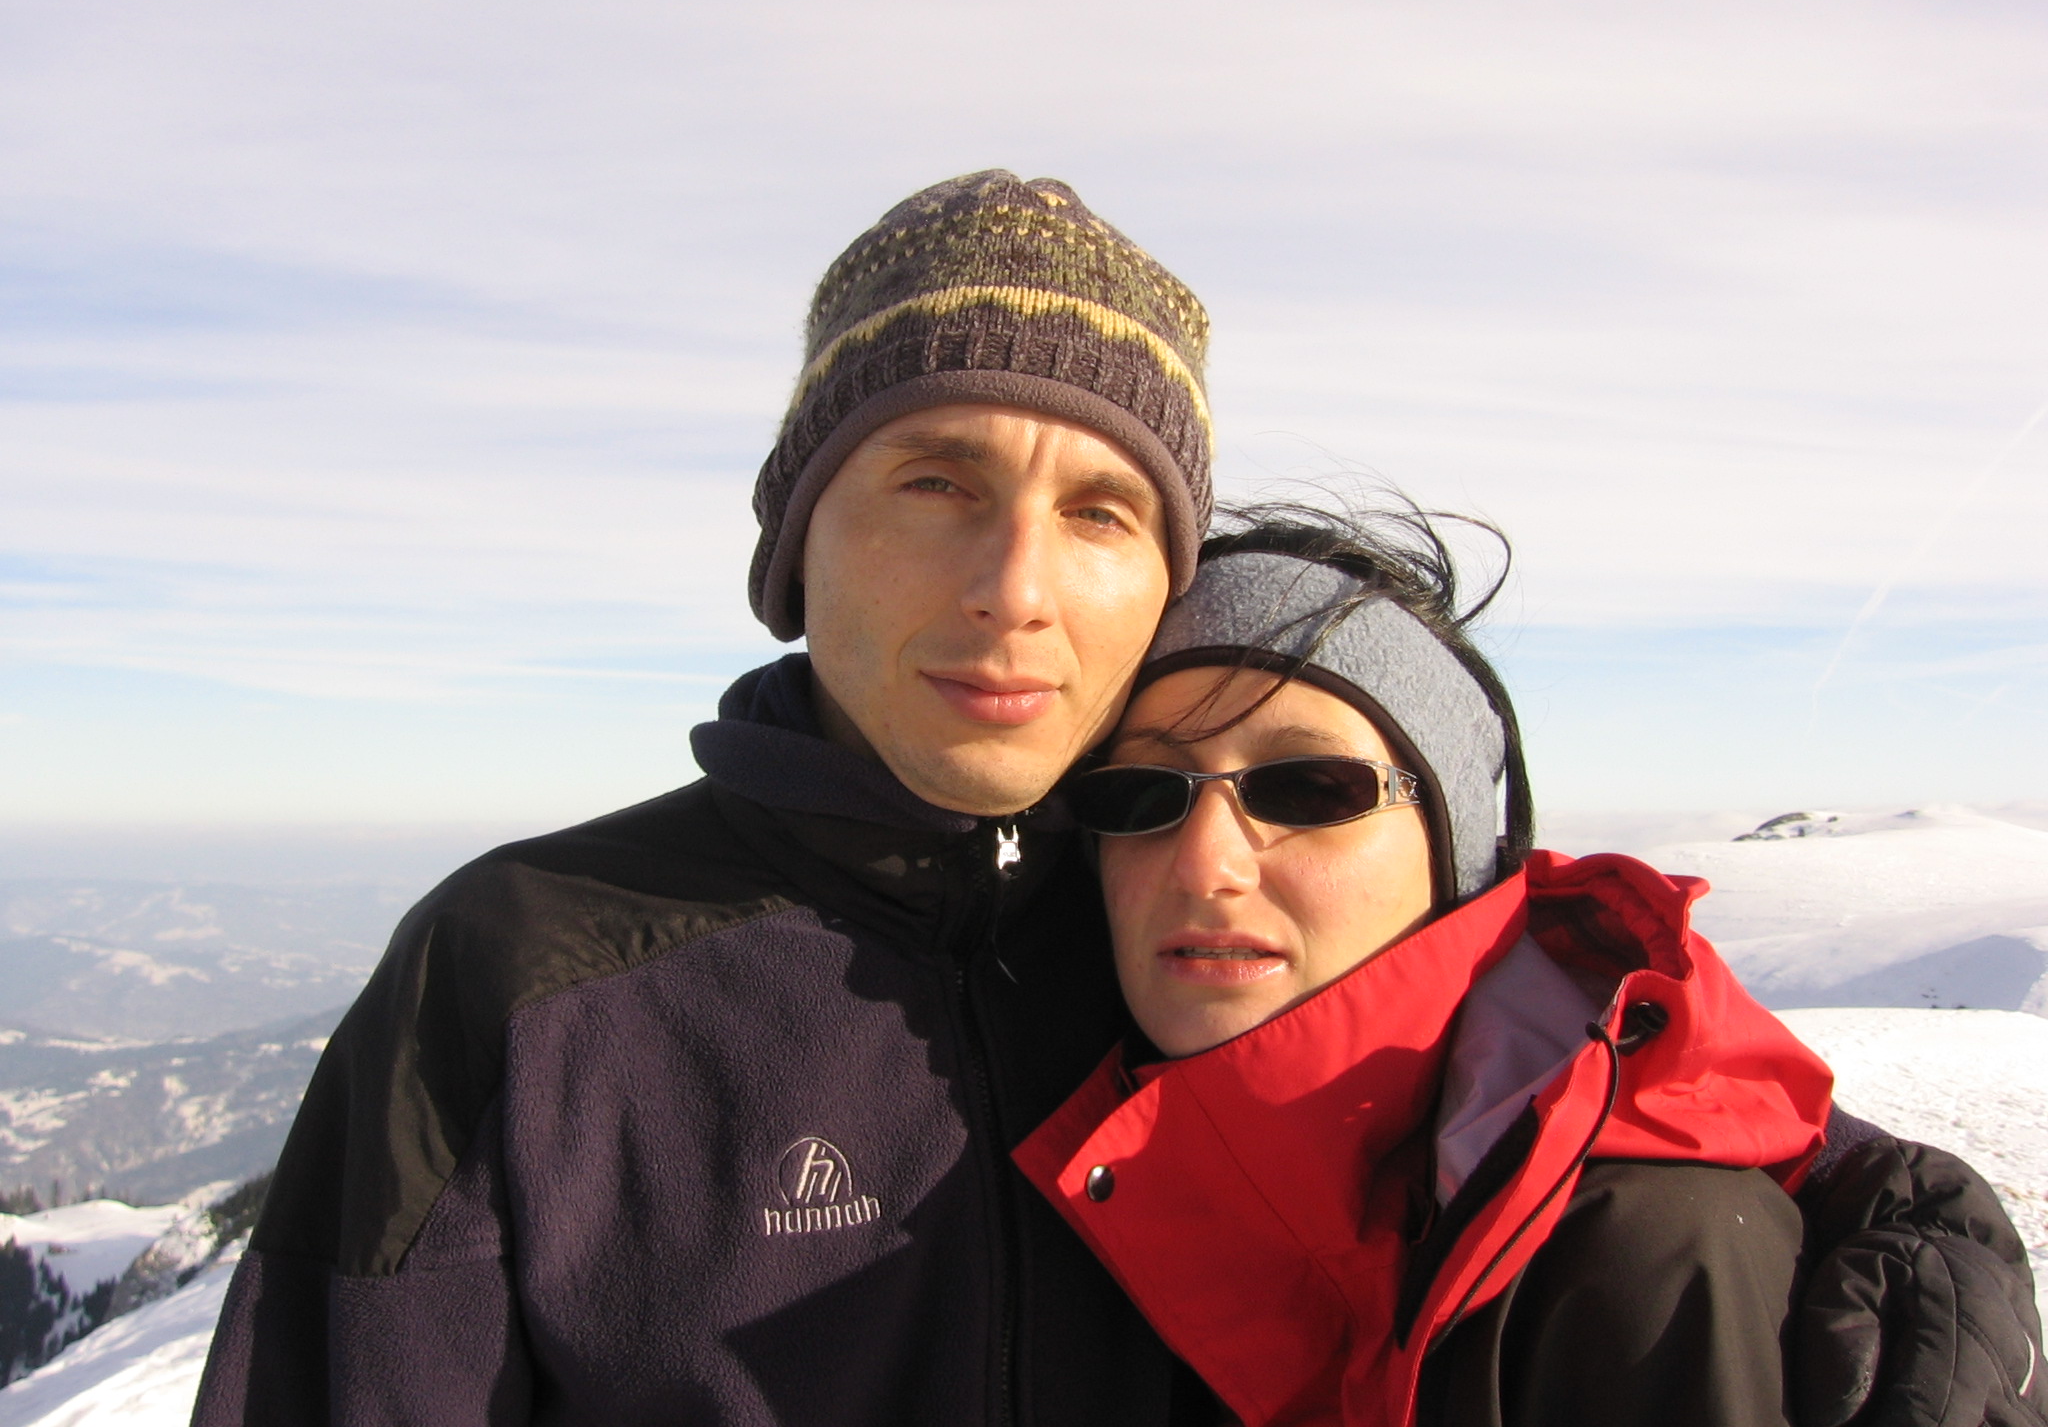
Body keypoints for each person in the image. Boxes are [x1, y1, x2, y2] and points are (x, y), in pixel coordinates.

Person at [193, 171, 2033, 1427]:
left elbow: (1582, 1066)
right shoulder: (532, 976)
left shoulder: (1199, 925)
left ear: (1165, 579)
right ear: (794, 541)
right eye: (934, 481)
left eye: (1100, 511)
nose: (1015, 586)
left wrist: (1899, 1216)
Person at [1017, 504, 2048, 1427]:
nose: (1206, 862)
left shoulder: (1639, 1263)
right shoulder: (1045, 1152)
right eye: (1138, 794)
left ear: (1457, 858)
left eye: (1313, 788)